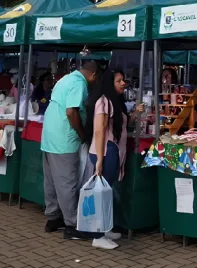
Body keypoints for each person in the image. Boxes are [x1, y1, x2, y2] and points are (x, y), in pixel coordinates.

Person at [82, 70, 143, 249]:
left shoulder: (114, 102)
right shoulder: (103, 102)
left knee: (106, 192)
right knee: (101, 193)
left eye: (123, 80)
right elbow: (99, 131)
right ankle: (97, 236)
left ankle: (105, 228)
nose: (123, 83)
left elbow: (122, 126)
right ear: (110, 83)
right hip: (105, 152)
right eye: (119, 81)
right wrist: (100, 160)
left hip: (111, 151)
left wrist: (135, 114)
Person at [41, 61, 98, 240]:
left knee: (51, 181)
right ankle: (72, 225)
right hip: (63, 139)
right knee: (66, 183)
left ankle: (53, 217)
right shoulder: (79, 84)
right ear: (93, 75)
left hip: (49, 136)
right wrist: (82, 134)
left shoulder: (65, 79)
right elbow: (71, 112)